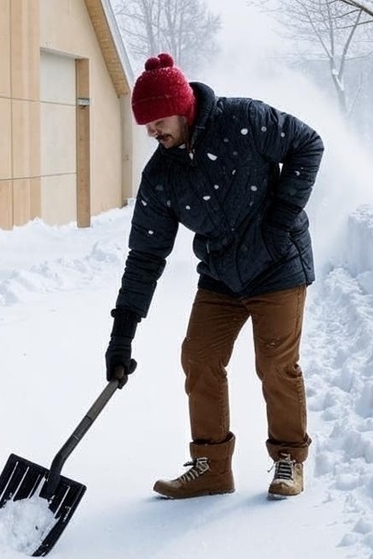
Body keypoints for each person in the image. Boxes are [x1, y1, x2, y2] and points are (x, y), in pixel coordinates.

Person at [105, 53, 324, 500]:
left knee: (274, 364)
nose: (152, 132)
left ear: (181, 106)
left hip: (277, 265)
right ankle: (211, 467)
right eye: (145, 124)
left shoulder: (242, 119)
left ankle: (289, 459)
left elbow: (308, 144)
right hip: (222, 275)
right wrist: (122, 332)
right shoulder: (161, 174)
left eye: (157, 120)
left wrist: (281, 218)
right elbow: (146, 255)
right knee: (199, 359)